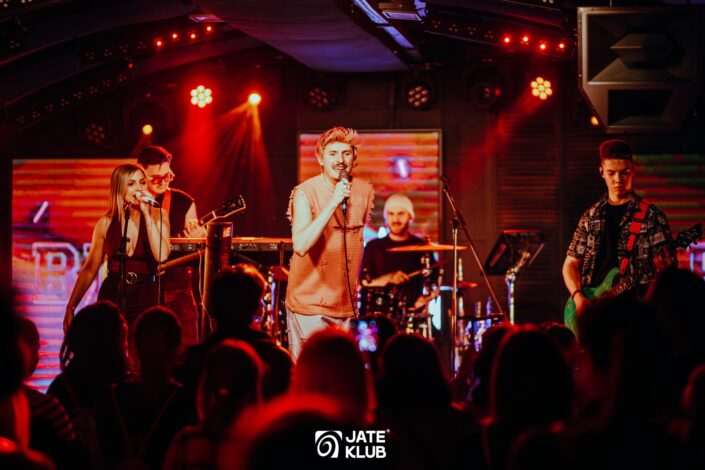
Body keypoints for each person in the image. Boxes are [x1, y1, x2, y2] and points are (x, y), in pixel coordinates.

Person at [285, 126, 374, 359]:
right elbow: (301, 245)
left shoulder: (364, 191)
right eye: (332, 154)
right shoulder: (305, 193)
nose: (340, 160)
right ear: (320, 159)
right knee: (311, 373)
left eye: (346, 153)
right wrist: (333, 201)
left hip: (346, 305)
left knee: (342, 374)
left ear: (354, 158)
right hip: (309, 304)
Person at [562, 139, 675, 322]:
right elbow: (569, 265)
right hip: (595, 311)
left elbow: (669, 275)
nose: (618, 179)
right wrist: (578, 296)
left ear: (633, 170)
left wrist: (663, 273)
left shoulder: (652, 216)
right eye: (611, 173)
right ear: (601, 172)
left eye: (624, 172)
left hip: (635, 316)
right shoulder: (590, 216)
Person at [63, 163, 170, 331]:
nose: (139, 188)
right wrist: (71, 306)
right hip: (113, 293)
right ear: (120, 189)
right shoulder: (105, 223)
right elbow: (90, 269)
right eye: (131, 184)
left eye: (142, 182)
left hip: (146, 295)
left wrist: (147, 215)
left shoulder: (158, 215)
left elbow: (161, 255)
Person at [137, 146, 205, 345]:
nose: (164, 182)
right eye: (157, 178)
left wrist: (198, 240)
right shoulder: (130, 203)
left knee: (187, 348)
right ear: (141, 173)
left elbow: (197, 253)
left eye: (168, 176)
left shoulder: (184, 202)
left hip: (177, 290)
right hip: (141, 289)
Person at [361, 193, 433, 311]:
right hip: (378, 315)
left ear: (410, 216)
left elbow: (434, 283)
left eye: (401, 213)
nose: (396, 219)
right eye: (391, 213)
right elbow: (363, 282)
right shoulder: (373, 247)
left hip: (411, 314)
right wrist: (388, 278)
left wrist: (426, 298)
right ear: (386, 217)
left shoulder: (423, 247)